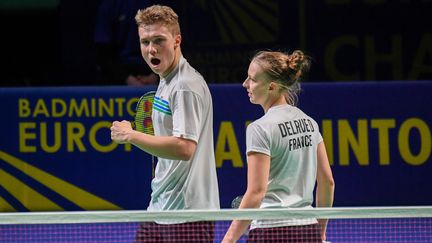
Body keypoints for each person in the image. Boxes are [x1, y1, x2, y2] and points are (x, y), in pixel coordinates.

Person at [110, 5, 220, 242]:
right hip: (161, 206)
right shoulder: (166, 80)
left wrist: (131, 135)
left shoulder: (184, 86)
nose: (151, 49)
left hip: (188, 214)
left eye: (159, 40)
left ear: (177, 40)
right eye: (145, 41)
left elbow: (184, 148)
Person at [222, 50, 335, 242]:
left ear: (272, 87)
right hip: (307, 229)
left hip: (270, 230)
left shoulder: (259, 129)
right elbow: (327, 182)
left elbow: (256, 192)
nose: (245, 84)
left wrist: (228, 240)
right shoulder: (310, 123)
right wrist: (320, 231)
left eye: (252, 79)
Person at [94, 0, 158, 86]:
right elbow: (103, 54)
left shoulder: (159, 6)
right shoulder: (110, 6)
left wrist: (157, 76)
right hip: (118, 75)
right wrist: (126, 78)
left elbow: (173, 47)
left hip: (155, 72)